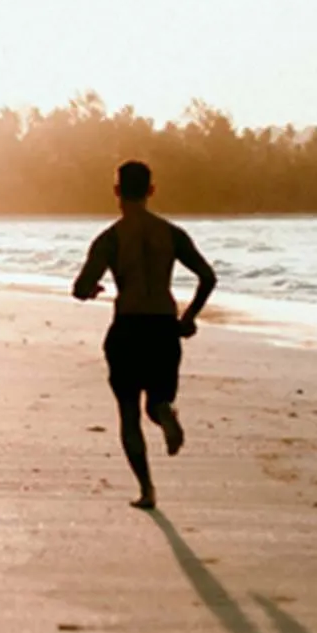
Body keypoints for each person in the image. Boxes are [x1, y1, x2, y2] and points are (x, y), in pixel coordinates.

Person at [73, 159, 217, 510]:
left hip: (127, 328)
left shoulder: (110, 239)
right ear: (151, 191)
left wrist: (94, 291)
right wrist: (188, 317)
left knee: (128, 412)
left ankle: (147, 490)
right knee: (156, 402)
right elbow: (208, 277)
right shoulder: (171, 234)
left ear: (117, 192)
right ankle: (165, 414)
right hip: (163, 327)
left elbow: (79, 288)